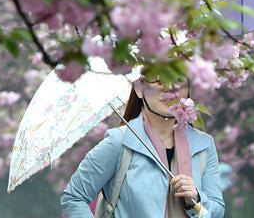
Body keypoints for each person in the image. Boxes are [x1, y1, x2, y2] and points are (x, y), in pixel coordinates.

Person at [61, 77, 225, 218]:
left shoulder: (203, 144)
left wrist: (196, 198)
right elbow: (74, 197)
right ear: (139, 89)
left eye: (178, 79)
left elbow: (217, 212)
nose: (169, 88)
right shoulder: (120, 141)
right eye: (158, 79)